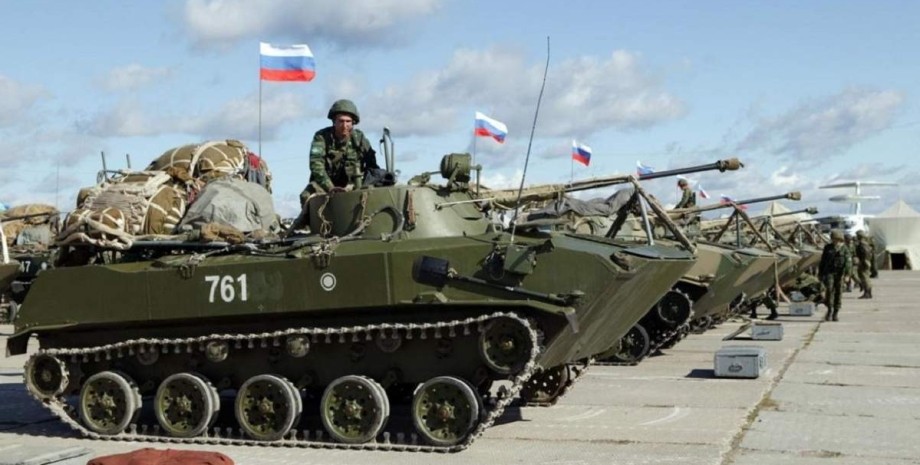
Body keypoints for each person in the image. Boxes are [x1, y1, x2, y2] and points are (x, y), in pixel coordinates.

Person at [301, 99, 378, 202]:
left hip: (353, 184)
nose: (344, 125)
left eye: (348, 121)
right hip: (325, 184)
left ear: (353, 122)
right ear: (334, 121)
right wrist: (330, 187)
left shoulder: (359, 138)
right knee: (306, 196)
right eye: (341, 121)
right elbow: (316, 165)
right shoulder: (322, 137)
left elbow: (372, 166)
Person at [819, 229, 851, 321]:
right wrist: (820, 273)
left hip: (840, 274)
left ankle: (835, 312)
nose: (834, 241)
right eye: (833, 239)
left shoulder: (844, 249)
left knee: (839, 292)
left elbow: (848, 263)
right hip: (829, 272)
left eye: (836, 239)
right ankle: (829, 309)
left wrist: (847, 274)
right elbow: (823, 261)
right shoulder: (828, 248)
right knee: (829, 290)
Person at [855, 230, 873, 299]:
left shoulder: (862, 244)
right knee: (866, 277)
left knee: (864, 278)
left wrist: (862, 261)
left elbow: (865, 254)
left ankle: (867, 293)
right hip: (865, 261)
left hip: (864, 262)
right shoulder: (865, 244)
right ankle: (868, 293)